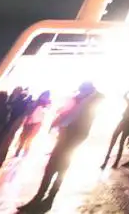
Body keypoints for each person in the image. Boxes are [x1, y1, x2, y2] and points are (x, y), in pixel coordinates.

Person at [20, 82, 101, 211]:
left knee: (59, 168)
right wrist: (60, 120)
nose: (80, 92)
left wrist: (63, 123)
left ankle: (47, 199)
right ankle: (42, 198)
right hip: (67, 135)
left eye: (83, 90)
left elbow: (76, 115)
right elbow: (69, 112)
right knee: (53, 167)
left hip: (73, 137)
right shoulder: (80, 98)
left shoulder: (94, 100)